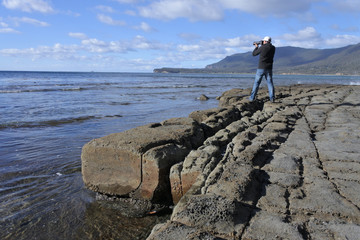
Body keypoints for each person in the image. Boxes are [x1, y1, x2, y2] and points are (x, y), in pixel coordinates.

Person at [249, 36, 276, 102]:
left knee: (257, 83)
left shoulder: (262, 47)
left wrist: (256, 47)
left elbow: (254, 54)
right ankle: (272, 98)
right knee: (270, 83)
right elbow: (267, 47)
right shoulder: (273, 48)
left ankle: (252, 98)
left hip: (261, 68)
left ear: (265, 41)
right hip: (269, 68)